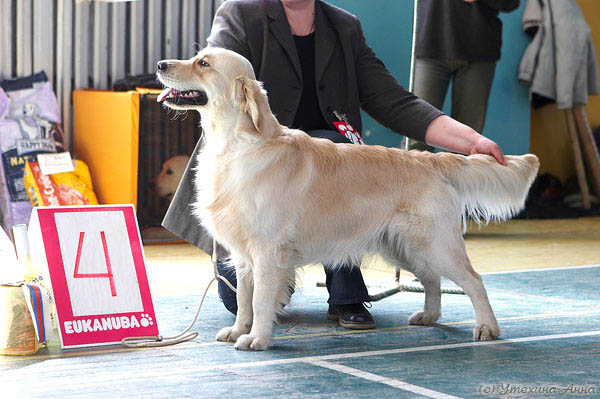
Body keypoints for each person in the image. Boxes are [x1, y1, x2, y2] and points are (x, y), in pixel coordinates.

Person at [162, 0, 506, 330]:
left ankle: (347, 295)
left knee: (334, 145)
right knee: (238, 301)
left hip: (330, 161)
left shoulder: (344, 25)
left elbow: (392, 100)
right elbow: (213, 75)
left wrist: (471, 141)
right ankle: (276, 282)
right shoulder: (241, 14)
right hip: (256, 155)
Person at [408, 0, 520, 152]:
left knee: (468, 146)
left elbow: (511, 3)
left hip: (479, 49)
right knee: (416, 141)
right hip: (431, 42)